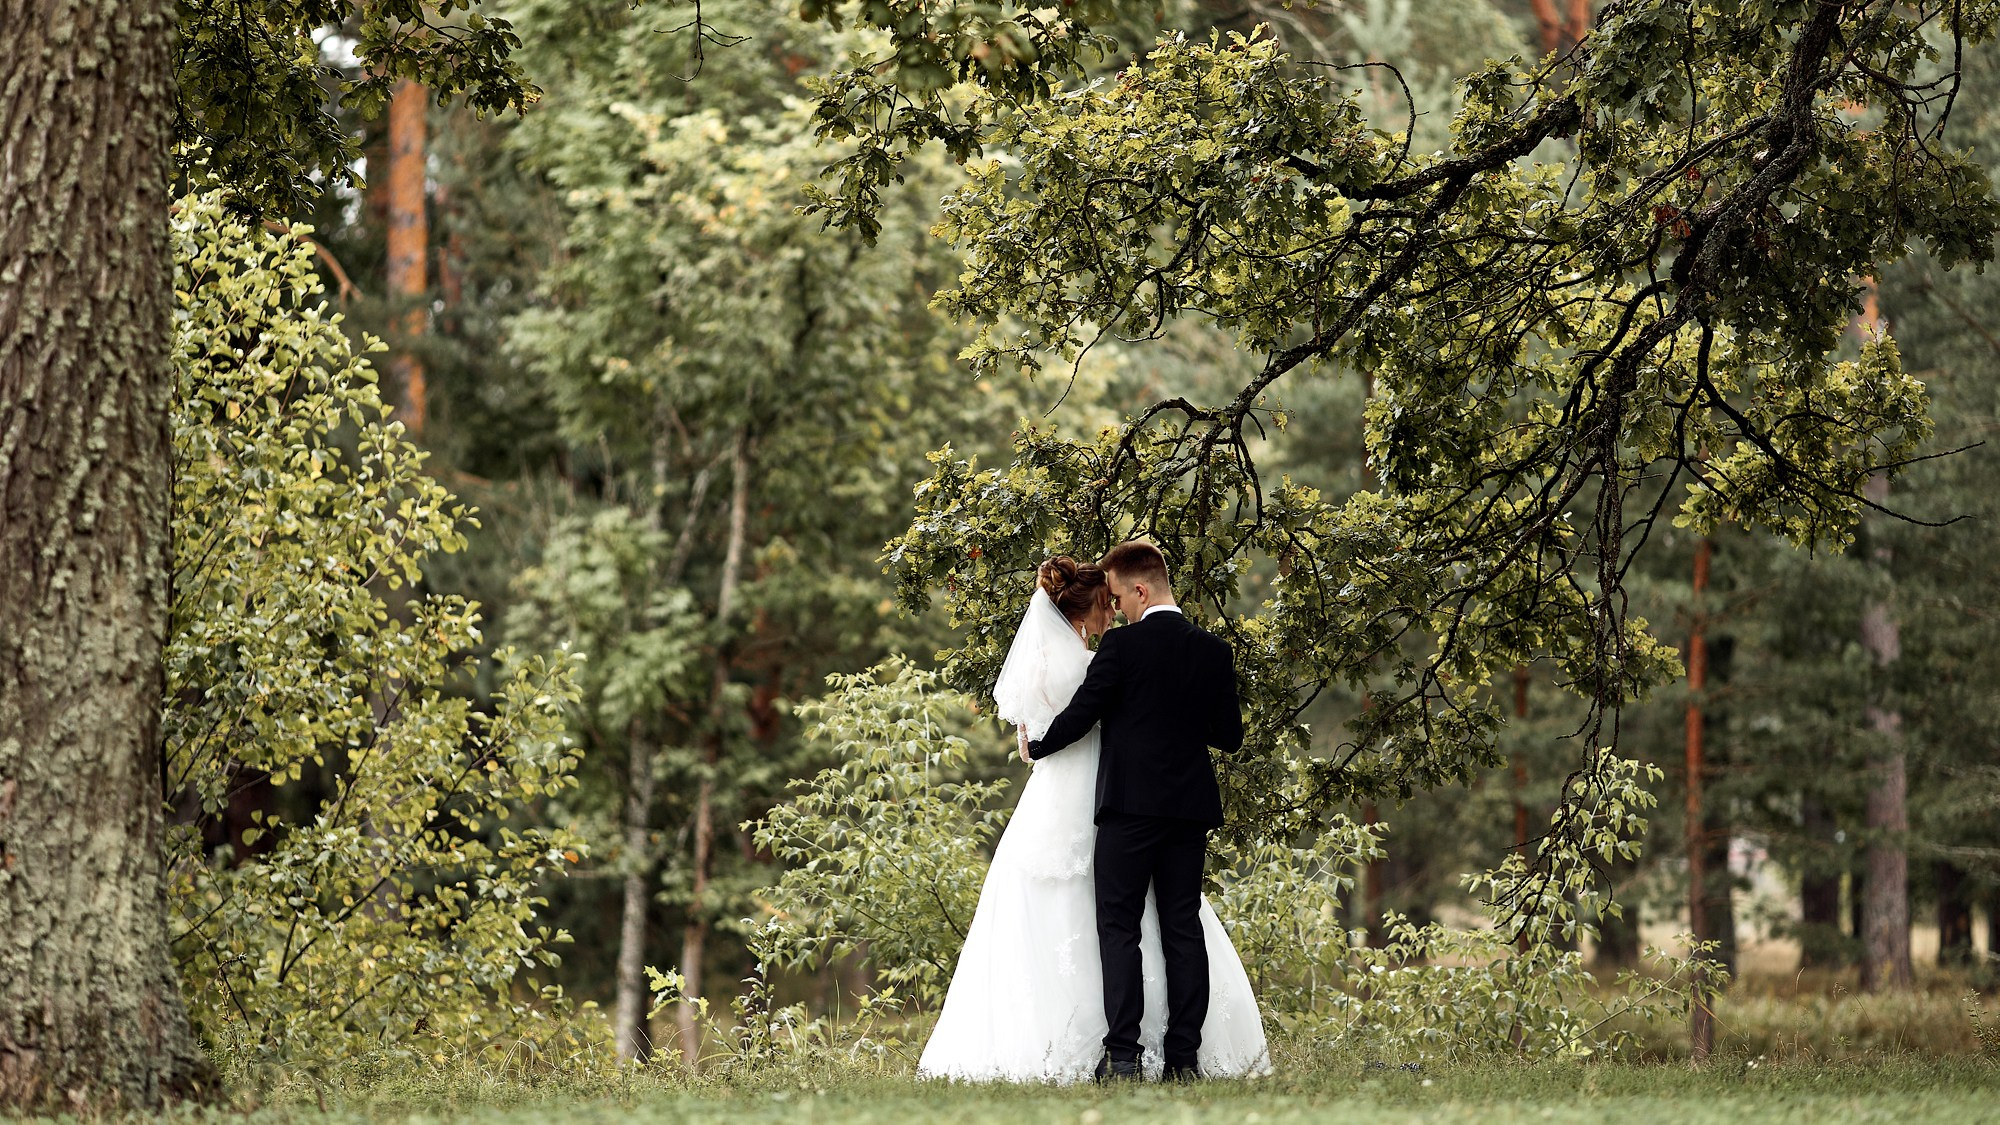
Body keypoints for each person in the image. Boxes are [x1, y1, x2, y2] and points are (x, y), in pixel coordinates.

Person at [916, 549, 1268, 1084]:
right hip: (1188, 809)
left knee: (1119, 927)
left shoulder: (1122, 646)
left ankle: (1123, 1057)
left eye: (1122, 596)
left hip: (1128, 808)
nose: (1119, 608)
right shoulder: (1214, 652)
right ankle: (1184, 1060)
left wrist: (1039, 744)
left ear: (1141, 592)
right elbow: (1229, 737)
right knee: (1181, 927)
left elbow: (1084, 713)